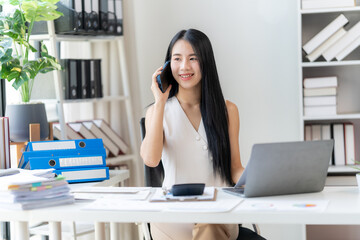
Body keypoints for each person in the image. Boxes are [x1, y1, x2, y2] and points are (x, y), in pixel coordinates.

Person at [140, 29, 245, 240]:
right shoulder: (157, 111)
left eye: (193, 58)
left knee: (209, 228)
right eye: (177, 59)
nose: (184, 67)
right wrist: (160, 101)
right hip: (174, 217)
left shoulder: (228, 111)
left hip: (219, 214)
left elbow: (234, 169)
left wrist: (259, 180)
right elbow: (151, 160)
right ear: (168, 65)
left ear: (205, 62)